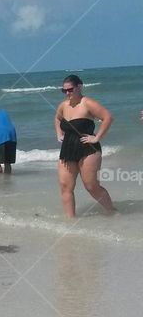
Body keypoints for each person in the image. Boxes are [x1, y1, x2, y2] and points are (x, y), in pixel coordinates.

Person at [55, 74, 115, 218]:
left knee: (91, 186)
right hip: (68, 149)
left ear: (79, 87)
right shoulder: (63, 105)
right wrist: (59, 134)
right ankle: (70, 221)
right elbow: (57, 119)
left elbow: (108, 117)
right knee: (65, 186)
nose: (67, 93)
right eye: (64, 91)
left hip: (88, 149)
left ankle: (112, 212)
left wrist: (97, 137)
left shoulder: (87, 103)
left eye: (70, 90)